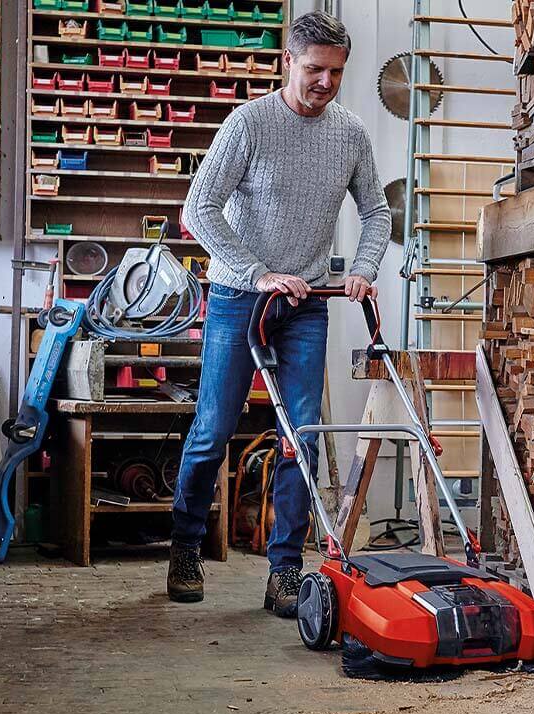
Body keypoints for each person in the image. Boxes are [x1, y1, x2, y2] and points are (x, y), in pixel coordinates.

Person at [167, 11, 391, 614]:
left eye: (336, 72)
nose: (326, 82)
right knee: (214, 429)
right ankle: (185, 548)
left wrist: (363, 270)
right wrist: (256, 271)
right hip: (240, 298)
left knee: (302, 436)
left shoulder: (349, 134)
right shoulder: (249, 124)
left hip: (305, 303)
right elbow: (200, 208)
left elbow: (377, 212)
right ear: (286, 62)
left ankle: (285, 572)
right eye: (315, 69)